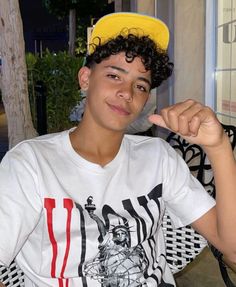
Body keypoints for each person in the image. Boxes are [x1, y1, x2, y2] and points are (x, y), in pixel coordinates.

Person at [0, 12, 235, 287]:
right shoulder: (30, 163)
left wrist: (219, 148)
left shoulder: (158, 157)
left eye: (140, 85)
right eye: (114, 75)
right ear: (85, 78)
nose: (127, 92)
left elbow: (231, 250)